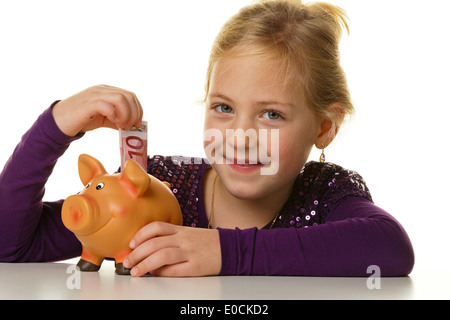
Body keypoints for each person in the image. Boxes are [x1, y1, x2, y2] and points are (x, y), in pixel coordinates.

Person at [0, 0, 414, 277]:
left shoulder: (324, 194)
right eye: (224, 108)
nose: (239, 137)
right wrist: (53, 128)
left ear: (324, 127)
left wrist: (224, 252)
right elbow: (11, 245)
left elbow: (391, 249)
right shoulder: (156, 185)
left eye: (271, 114)